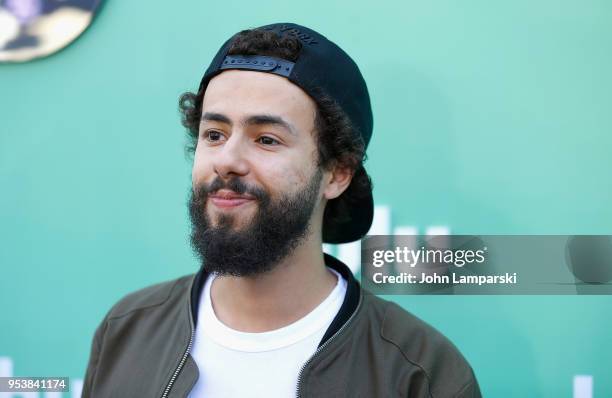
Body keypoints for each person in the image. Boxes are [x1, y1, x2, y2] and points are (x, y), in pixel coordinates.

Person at [82, 22, 481, 398]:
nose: (228, 160)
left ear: (337, 173)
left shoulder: (418, 370)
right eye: (214, 134)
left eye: (266, 139)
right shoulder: (128, 329)